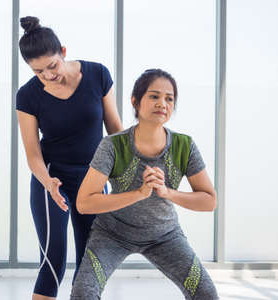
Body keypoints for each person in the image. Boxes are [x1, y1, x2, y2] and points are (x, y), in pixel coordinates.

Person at [70, 69, 219, 299]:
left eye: (169, 98)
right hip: (112, 234)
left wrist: (167, 192)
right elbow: (84, 203)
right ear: (135, 101)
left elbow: (209, 201)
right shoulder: (112, 145)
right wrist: (139, 193)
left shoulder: (184, 145)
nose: (163, 103)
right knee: (83, 292)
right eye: (154, 96)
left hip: (165, 235)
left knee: (206, 292)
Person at [16, 16, 123, 300]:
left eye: (52, 66)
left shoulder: (97, 74)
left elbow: (114, 130)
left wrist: (125, 173)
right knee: (53, 262)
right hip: (52, 180)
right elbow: (32, 152)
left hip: (93, 179)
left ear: (63, 52)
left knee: (91, 263)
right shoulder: (27, 96)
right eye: (39, 72)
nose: (48, 75)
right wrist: (48, 182)